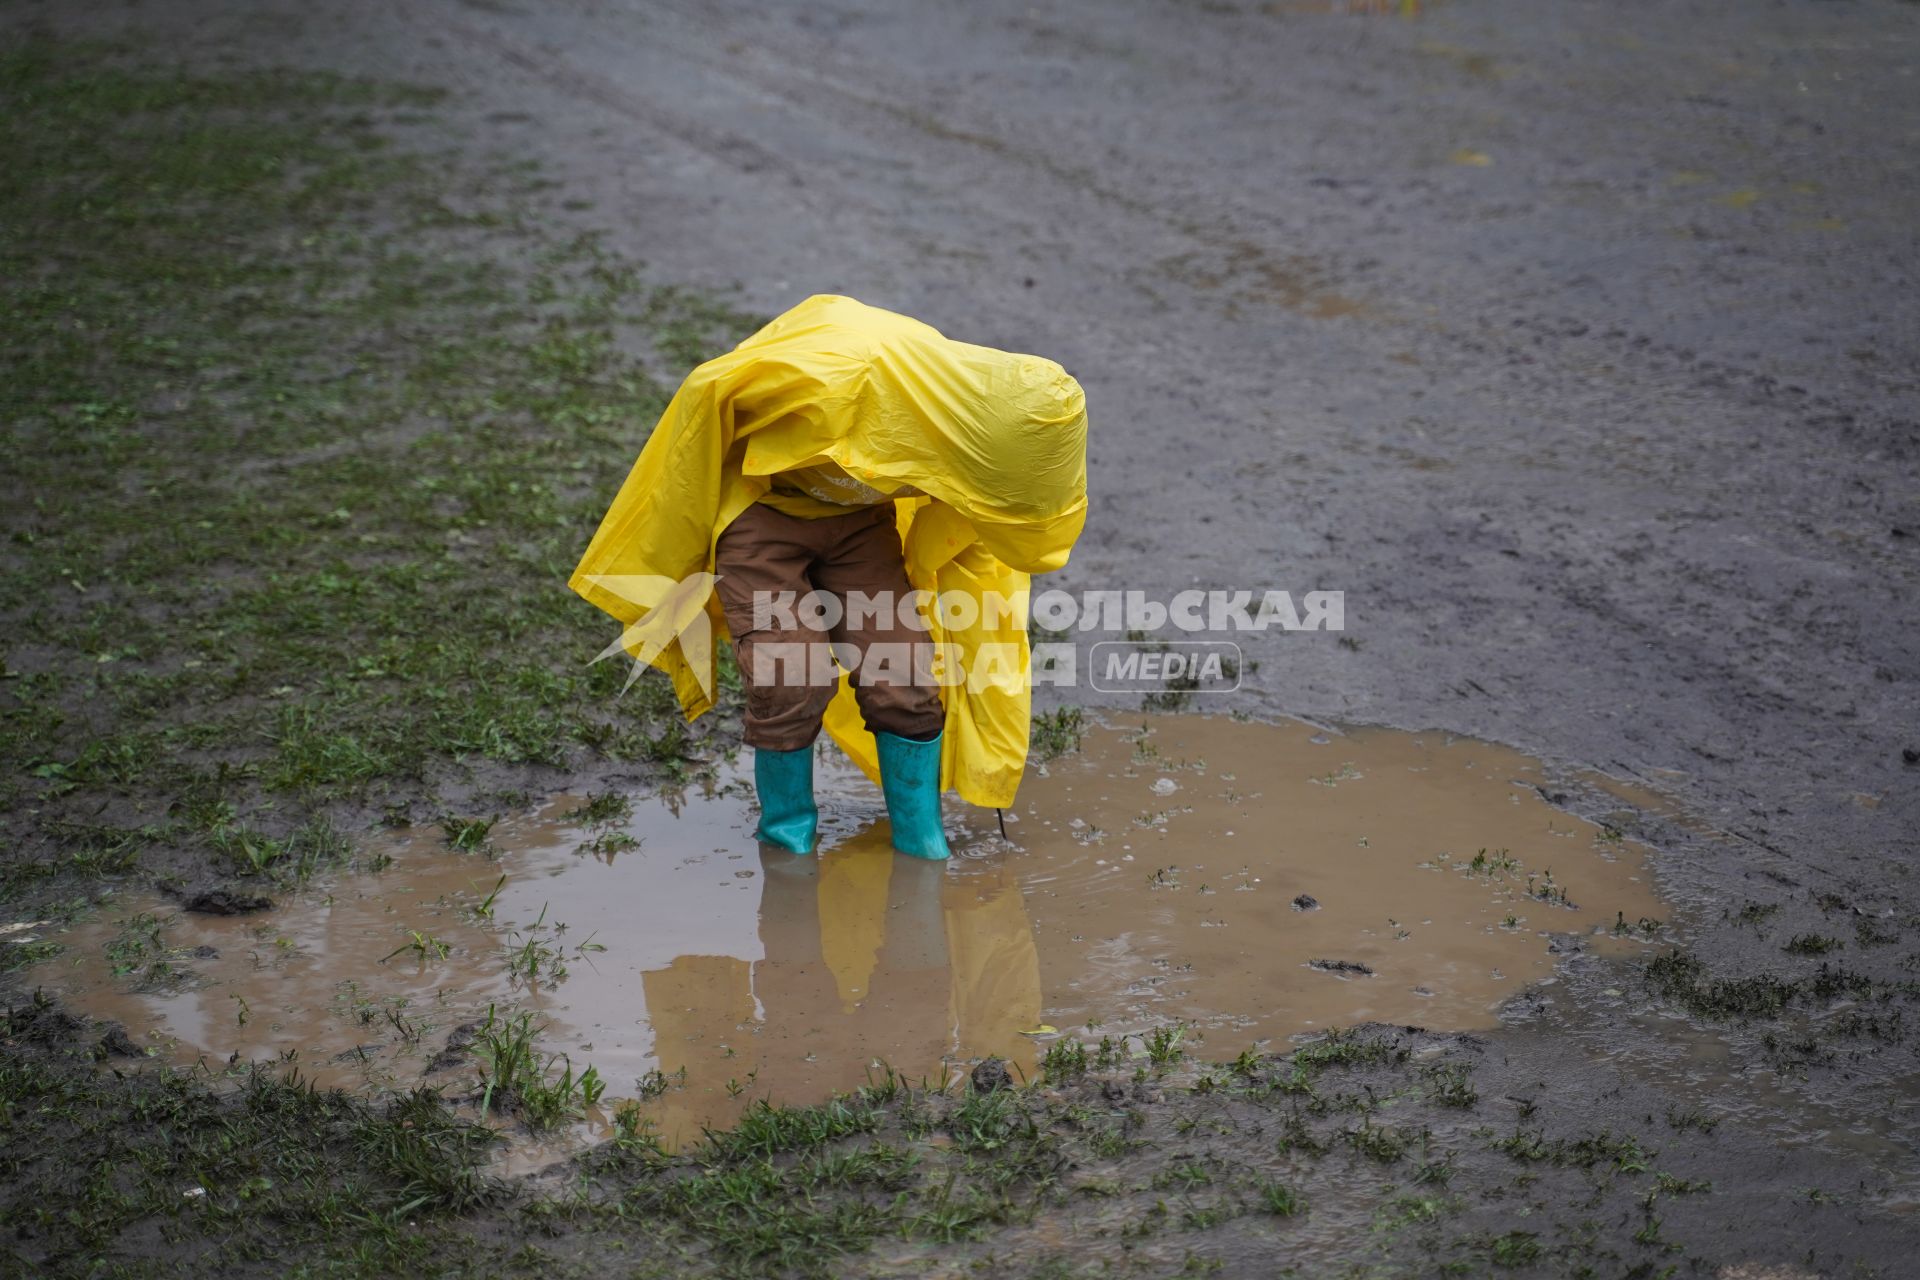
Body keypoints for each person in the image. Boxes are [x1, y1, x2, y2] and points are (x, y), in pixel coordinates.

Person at [570, 295, 1088, 859]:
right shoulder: (840, 376)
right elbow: (709, 393)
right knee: (791, 672)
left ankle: (920, 837)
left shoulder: (977, 442)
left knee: (905, 675)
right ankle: (789, 839)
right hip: (761, 513)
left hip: (859, 527)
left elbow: (994, 537)